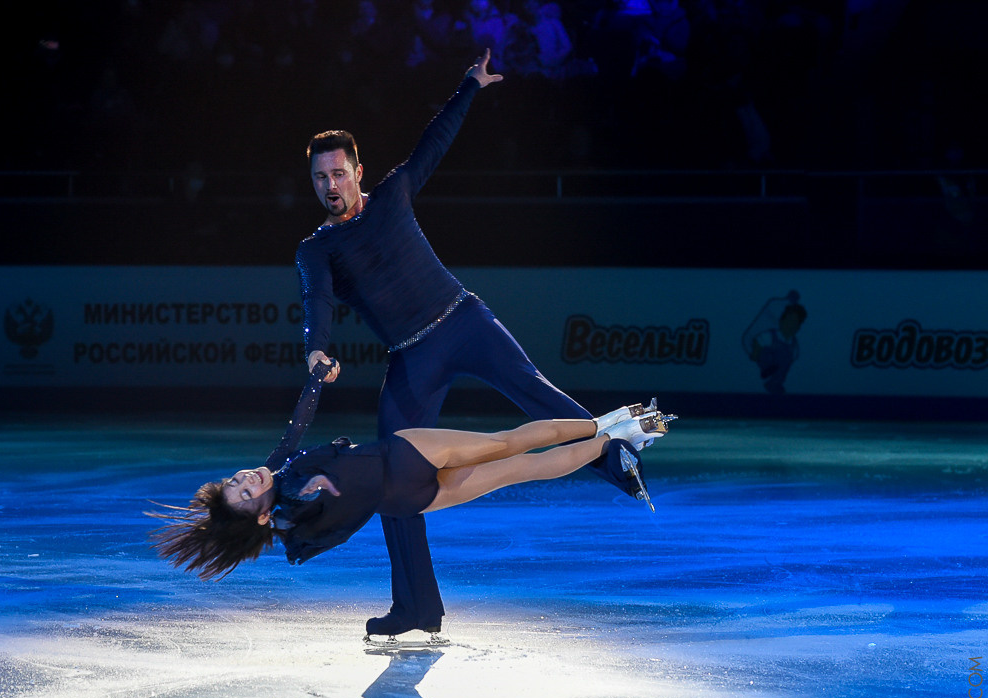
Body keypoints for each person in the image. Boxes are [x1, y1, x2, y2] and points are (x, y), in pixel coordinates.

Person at [295, 49, 647, 641]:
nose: (331, 186)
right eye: (319, 178)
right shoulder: (316, 250)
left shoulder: (394, 194)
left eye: (338, 173)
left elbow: (433, 143)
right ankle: (415, 608)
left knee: (538, 396)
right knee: (393, 479)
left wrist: (470, 86)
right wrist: (316, 350)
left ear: (359, 170)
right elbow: (317, 303)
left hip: (463, 320)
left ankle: (618, 456)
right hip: (412, 356)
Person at [149, 400, 674, 596]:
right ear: (260, 512)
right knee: (509, 447)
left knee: (519, 469)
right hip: (405, 459)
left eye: (239, 479)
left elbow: (297, 426)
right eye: (246, 491)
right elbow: (319, 503)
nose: (247, 477)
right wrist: (312, 495)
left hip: (408, 499)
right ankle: (610, 425)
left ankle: (614, 437)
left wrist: (315, 377)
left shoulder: (286, 499)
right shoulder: (291, 503)